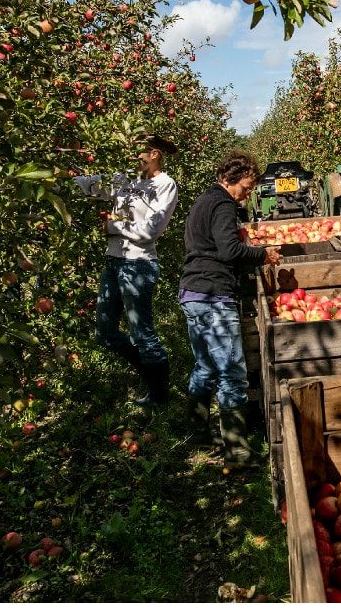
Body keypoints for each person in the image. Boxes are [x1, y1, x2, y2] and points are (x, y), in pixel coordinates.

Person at [180, 151, 282, 467]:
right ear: (229, 179)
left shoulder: (202, 201)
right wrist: (262, 255)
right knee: (232, 371)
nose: (247, 195)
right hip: (213, 296)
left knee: (206, 366)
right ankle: (237, 452)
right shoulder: (223, 204)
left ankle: (197, 432)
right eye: (246, 188)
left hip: (192, 294)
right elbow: (229, 250)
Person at [76, 134, 180, 406]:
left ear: (154, 153)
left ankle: (159, 396)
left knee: (142, 332)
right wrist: (56, 176)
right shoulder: (125, 180)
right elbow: (88, 186)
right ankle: (148, 373)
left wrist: (112, 227)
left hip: (138, 264)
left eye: (137, 153)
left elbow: (150, 231)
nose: (132, 158)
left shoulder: (165, 185)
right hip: (113, 261)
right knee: (105, 332)